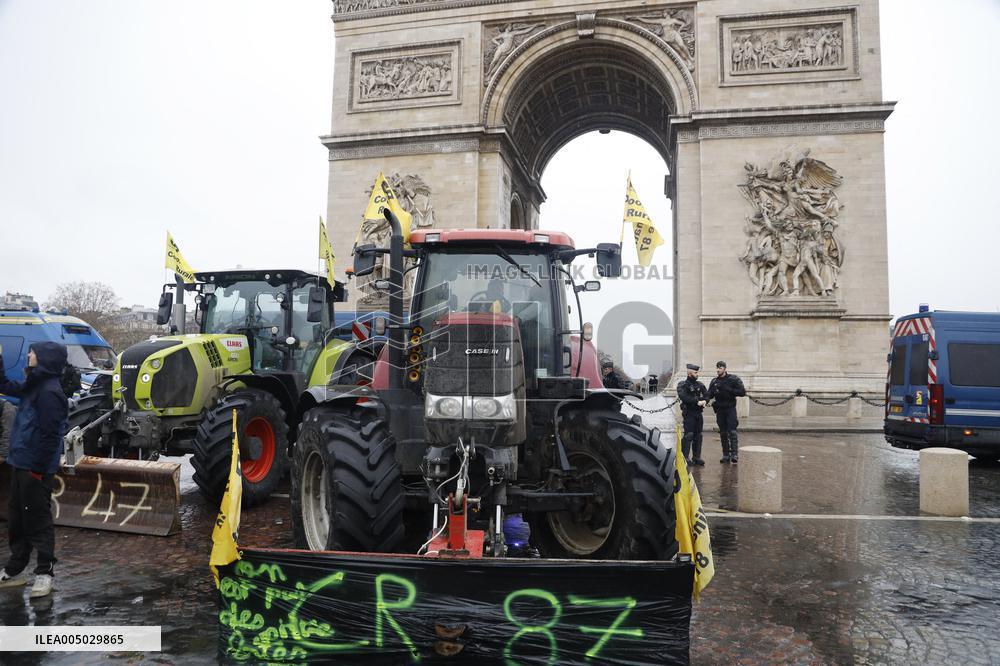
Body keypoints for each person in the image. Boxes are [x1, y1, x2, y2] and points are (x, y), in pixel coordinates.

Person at [0, 341, 72, 598]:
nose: (28, 354)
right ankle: (15, 570)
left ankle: (45, 573)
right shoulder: (35, 385)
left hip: (35, 468)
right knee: (17, 517)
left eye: (33, 352)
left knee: (38, 519)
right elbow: (7, 387)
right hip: (20, 461)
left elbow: (51, 436)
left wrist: (39, 470)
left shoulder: (50, 392)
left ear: (43, 358)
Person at [708, 360, 747, 464]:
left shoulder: (733, 379)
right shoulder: (714, 381)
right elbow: (709, 394)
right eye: (717, 368)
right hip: (720, 410)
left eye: (720, 368)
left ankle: (734, 454)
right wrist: (701, 399)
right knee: (723, 433)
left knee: (732, 431)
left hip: (730, 409)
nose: (718, 370)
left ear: (725, 369)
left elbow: (742, 392)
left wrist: (729, 389)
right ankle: (725, 454)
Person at [675, 363, 707, 466]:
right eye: (695, 372)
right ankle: (685, 457)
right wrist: (696, 401)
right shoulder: (682, 384)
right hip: (689, 413)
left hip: (698, 413)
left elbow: (707, 395)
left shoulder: (700, 385)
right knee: (689, 435)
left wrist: (705, 401)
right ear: (689, 373)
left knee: (698, 435)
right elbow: (683, 396)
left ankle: (696, 457)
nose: (697, 374)